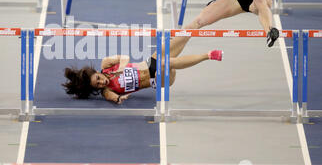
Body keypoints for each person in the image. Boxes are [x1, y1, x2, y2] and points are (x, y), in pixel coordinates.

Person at [62, 42, 223, 104]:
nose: (101, 82)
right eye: (97, 84)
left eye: (98, 78)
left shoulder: (106, 64)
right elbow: (114, 98)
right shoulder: (107, 91)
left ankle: (198, 25)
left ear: (98, 72)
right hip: (157, 80)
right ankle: (208, 55)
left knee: (180, 37)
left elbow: (124, 57)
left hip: (148, 63)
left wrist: (121, 67)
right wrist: (119, 98)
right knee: (164, 63)